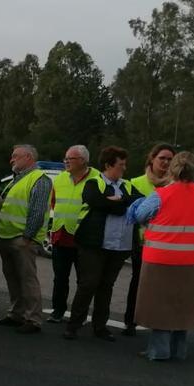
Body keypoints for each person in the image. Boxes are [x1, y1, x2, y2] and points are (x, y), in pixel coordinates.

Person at [127, 151, 194, 361]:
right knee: (182, 306)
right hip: (193, 261)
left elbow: (140, 216)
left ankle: (159, 350)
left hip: (161, 260)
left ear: (173, 168)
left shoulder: (162, 194)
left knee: (160, 306)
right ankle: (179, 350)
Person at [65, 146, 138, 341]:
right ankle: (74, 324)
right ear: (108, 165)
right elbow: (97, 202)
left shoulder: (127, 186)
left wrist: (118, 201)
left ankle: (100, 326)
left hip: (119, 245)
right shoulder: (93, 183)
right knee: (88, 284)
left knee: (107, 286)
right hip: (93, 243)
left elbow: (140, 202)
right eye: (121, 165)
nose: (124, 168)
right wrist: (121, 205)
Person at [0, 144, 52, 334]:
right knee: (13, 278)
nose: (12, 159)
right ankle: (16, 313)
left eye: (15, 156)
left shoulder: (39, 180)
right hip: (7, 236)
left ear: (28, 157)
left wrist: (27, 236)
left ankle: (33, 318)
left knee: (27, 279)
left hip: (21, 239)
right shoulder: (16, 179)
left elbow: (37, 210)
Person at [122, 143, 174, 336]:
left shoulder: (174, 185)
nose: (166, 163)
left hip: (166, 244)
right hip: (141, 243)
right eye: (162, 158)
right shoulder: (135, 182)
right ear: (152, 159)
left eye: (170, 159)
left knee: (162, 287)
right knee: (138, 282)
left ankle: (157, 324)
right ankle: (130, 321)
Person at [48, 145, 103, 323]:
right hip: (60, 234)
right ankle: (58, 310)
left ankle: (80, 314)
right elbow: (54, 202)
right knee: (60, 278)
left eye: (69, 159)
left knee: (84, 281)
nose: (66, 162)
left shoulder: (98, 179)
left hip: (84, 239)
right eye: (65, 158)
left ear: (83, 161)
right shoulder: (60, 179)